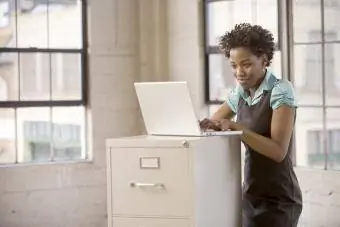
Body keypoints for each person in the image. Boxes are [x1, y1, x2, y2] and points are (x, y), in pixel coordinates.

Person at [200, 23, 303, 227]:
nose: (239, 72)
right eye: (234, 65)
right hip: (251, 196)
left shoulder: (281, 90)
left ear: (264, 60)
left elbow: (278, 151)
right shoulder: (241, 92)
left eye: (246, 64)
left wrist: (236, 128)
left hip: (279, 199)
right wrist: (203, 124)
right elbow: (216, 122)